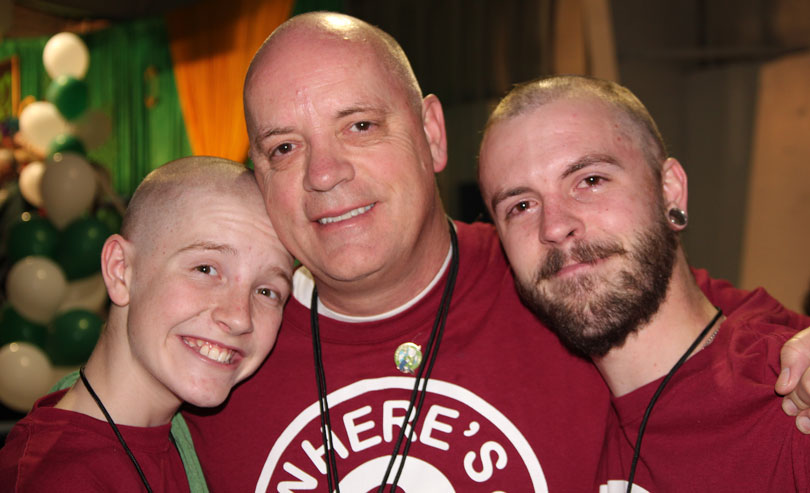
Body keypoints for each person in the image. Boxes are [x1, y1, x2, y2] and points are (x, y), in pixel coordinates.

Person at [181, 12, 810, 492]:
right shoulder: (223, 343)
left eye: (360, 126)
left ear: (430, 132)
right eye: (284, 148)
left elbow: (695, 326)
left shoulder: (548, 281)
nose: (323, 173)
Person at [477, 74, 809, 491]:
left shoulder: (789, 403)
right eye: (521, 205)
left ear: (670, 191)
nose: (556, 226)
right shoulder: (541, 417)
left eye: (590, 181)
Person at [0, 156, 294, 492]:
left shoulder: (183, 437)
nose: (240, 316)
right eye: (205, 270)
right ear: (120, 270)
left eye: (267, 291)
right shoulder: (59, 480)